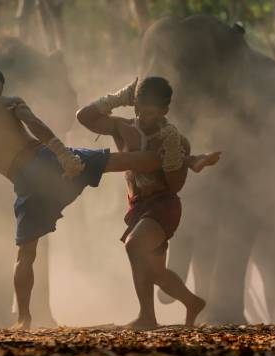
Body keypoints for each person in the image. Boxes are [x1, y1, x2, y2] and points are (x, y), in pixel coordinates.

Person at [0, 60, 182, 329]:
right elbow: (36, 125)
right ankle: (180, 157)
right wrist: (62, 153)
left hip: (24, 182)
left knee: (25, 255)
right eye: (0, 85)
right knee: (118, 161)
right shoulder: (8, 103)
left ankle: (24, 318)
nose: (2, 90)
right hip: (46, 160)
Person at [77, 77, 220, 329]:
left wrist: (177, 156)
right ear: (135, 106)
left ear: (164, 111)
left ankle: (147, 317)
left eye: (151, 113)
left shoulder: (174, 139)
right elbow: (84, 117)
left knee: (134, 247)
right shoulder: (124, 128)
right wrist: (119, 97)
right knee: (156, 271)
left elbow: (175, 186)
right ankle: (188, 303)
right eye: (140, 110)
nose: (144, 117)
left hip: (163, 206)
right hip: (137, 206)